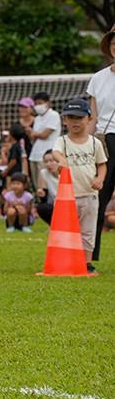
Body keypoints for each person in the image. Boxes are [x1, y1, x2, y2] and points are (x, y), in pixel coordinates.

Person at [52, 98, 108, 273]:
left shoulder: (95, 143)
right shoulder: (62, 141)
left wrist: (100, 179)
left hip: (90, 195)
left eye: (79, 117)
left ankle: (86, 263)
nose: (75, 122)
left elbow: (102, 164)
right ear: (64, 120)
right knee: (65, 229)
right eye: (71, 117)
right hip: (67, 197)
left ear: (89, 119)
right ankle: (64, 261)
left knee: (88, 231)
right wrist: (61, 160)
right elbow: (56, 152)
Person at [90, 24, 115, 261]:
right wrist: (84, 145)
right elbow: (93, 117)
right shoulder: (98, 79)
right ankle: (90, 257)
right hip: (105, 142)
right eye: (114, 43)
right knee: (98, 199)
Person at [27, 92, 60, 188]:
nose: (37, 106)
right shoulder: (37, 118)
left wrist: (34, 133)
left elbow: (45, 134)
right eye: (36, 104)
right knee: (36, 184)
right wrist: (33, 134)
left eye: (40, 103)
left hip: (47, 155)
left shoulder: (53, 115)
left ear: (48, 103)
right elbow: (33, 137)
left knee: (46, 183)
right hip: (34, 154)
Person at [35, 149, 60, 225]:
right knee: (42, 208)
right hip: (53, 204)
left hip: (68, 203)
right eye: (46, 162)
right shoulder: (43, 173)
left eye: (52, 161)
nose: (48, 164)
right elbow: (43, 197)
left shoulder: (67, 172)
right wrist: (41, 193)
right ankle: (54, 225)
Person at [16, 96, 36, 162]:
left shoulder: (37, 122)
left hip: (35, 154)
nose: (22, 109)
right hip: (19, 156)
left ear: (32, 109)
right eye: (21, 107)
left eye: (25, 107)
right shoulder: (17, 124)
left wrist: (31, 133)